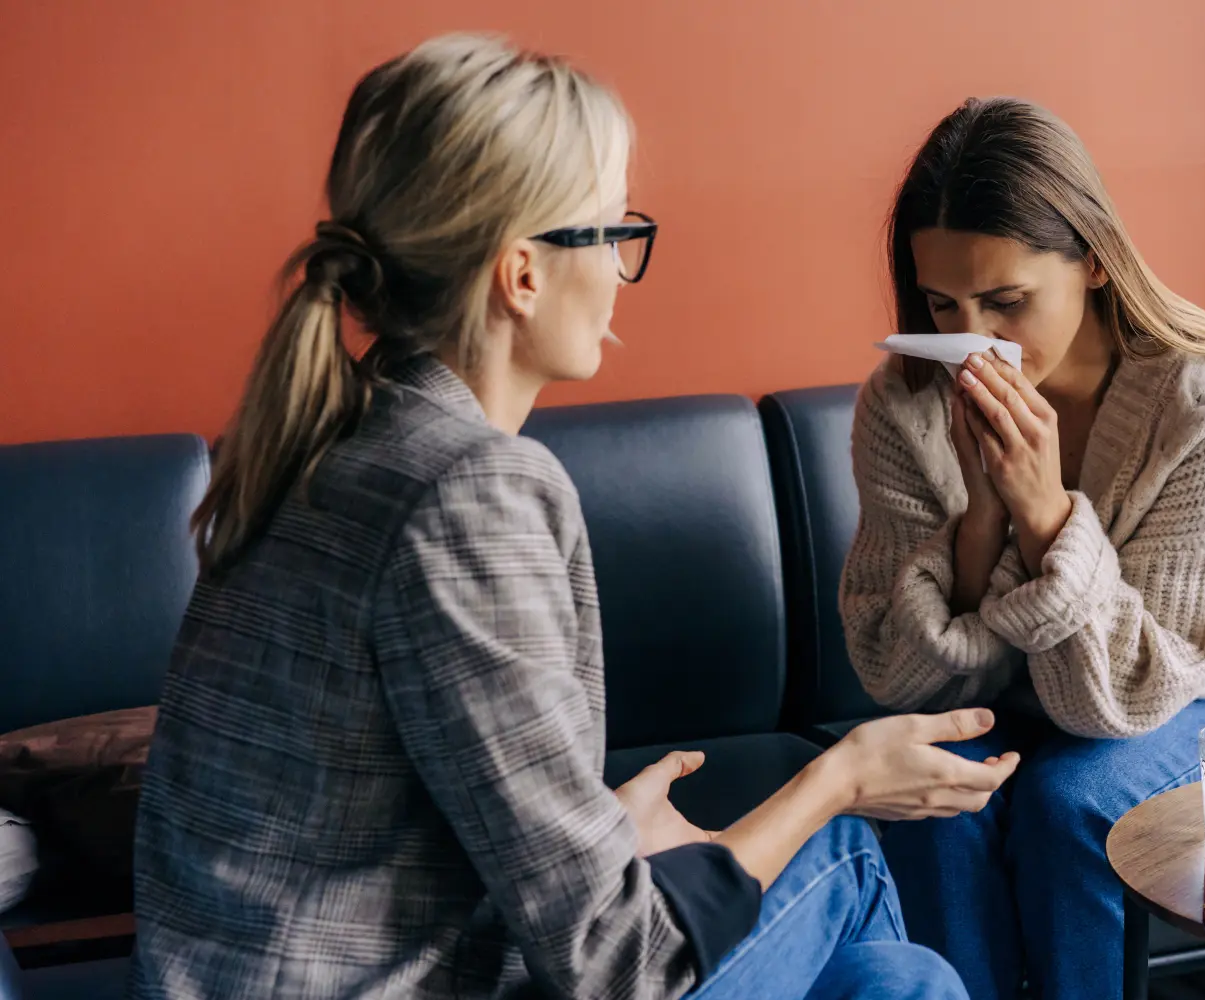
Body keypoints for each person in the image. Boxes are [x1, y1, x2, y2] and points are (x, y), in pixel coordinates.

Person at [129, 35, 1019, 1000]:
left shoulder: (323, 442)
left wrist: (597, 831)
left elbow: (379, 806)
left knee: (902, 979)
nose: (622, 267)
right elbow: (614, 965)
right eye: (612, 232)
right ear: (522, 274)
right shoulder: (471, 491)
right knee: (846, 855)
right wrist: (837, 780)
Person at [839, 97, 1205, 1000]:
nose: (975, 339)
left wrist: (1047, 515)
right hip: (1011, 692)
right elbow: (896, 676)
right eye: (943, 304)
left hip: (1189, 685)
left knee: (1068, 802)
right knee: (935, 802)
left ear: (1093, 259)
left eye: (1007, 302)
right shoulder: (902, 405)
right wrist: (980, 519)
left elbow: (1122, 697)